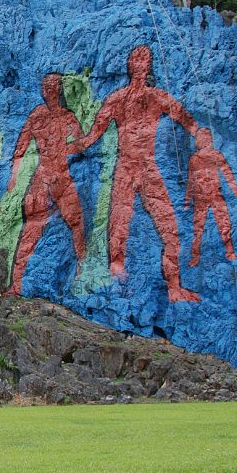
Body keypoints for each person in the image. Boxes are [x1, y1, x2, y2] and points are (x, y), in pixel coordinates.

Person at [76, 45, 201, 302]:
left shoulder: (157, 97)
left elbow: (184, 117)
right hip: (125, 167)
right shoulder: (117, 99)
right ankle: (116, 272)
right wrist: (71, 146)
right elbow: (93, 135)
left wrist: (200, 134)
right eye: (136, 58)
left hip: (149, 168)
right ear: (130, 64)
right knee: (118, 223)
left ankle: (174, 287)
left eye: (145, 59)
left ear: (150, 65)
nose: (140, 63)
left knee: (169, 227)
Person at [7, 73, 86, 295]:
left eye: (54, 86)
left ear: (59, 90)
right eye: (46, 86)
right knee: (31, 227)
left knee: (77, 222)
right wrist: (14, 177)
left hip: (62, 176)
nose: (50, 90)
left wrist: (68, 149)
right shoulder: (37, 115)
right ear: (43, 90)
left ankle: (83, 272)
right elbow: (21, 147)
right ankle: (16, 283)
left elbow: (80, 143)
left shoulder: (68, 117)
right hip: (43, 177)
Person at [186, 127, 237, 267]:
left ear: (207, 139)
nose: (197, 141)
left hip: (216, 195)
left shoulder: (216, 156)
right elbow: (191, 181)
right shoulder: (194, 159)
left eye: (200, 138)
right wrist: (187, 200)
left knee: (224, 223)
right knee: (198, 229)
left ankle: (230, 252)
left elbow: (228, 176)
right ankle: (195, 257)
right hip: (200, 198)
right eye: (197, 138)